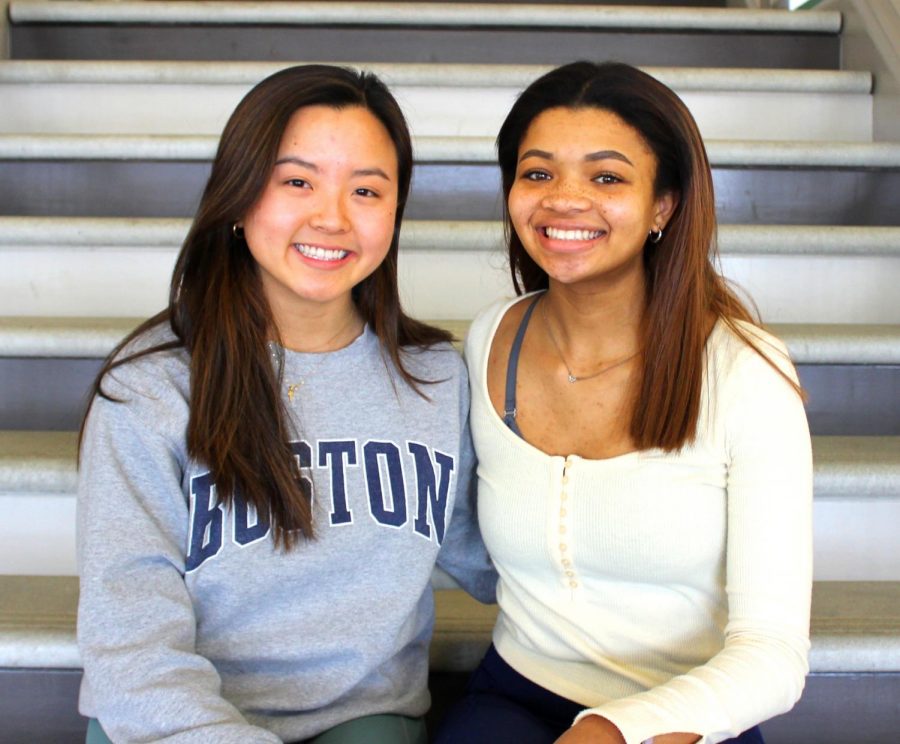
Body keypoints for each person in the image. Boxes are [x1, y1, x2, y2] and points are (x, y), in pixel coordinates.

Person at [76, 64, 495, 744]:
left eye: (366, 190)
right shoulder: (150, 387)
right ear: (240, 198)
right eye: (297, 181)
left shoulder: (436, 380)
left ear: (395, 212)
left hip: (363, 715)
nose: (331, 217)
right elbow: (128, 633)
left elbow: (500, 558)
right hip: (173, 721)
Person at [435, 61, 812, 744]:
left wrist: (611, 731)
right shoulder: (492, 338)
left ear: (664, 204)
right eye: (538, 173)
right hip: (515, 694)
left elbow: (774, 656)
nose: (564, 200)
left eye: (606, 177)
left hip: (685, 715)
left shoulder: (746, 372)